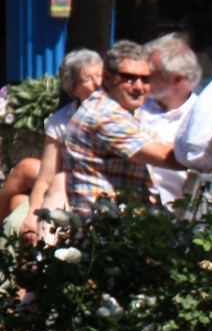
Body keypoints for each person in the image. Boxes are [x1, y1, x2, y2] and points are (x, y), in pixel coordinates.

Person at [62, 40, 181, 214]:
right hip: (103, 230)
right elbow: (165, 156)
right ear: (108, 78)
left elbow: (163, 146)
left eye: (145, 79)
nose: (139, 86)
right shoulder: (103, 115)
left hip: (124, 225)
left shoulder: (126, 113)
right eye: (129, 77)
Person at [9, 48, 101, 241]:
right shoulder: (61, 120)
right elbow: (46, 176)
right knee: (15, 222)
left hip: (95, 197)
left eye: (100, 75)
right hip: (63, 192)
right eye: (88, 79)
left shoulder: (119, 115)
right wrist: (32, 214)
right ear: (73, 89)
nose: (98, 84)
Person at [138, 33, 202, 207]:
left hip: (183, 214)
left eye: (150, 73)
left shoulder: (202, 115)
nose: (142, 78)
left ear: (177, 78)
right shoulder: (136, 109)